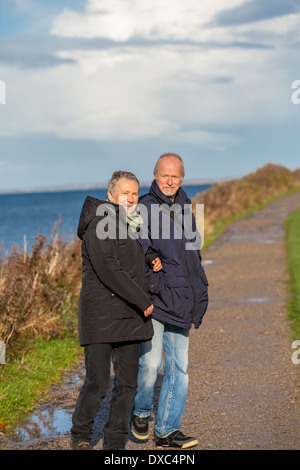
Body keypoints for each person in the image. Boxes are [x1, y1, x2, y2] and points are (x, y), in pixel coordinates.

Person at [70, 171, 156, 451]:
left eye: (134, 193)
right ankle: (81, 434)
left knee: (127, 384)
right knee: (97, 383)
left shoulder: (130, 224)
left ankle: (115, 442)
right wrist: (143, 300)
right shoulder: (99, 224)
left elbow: (128, 258)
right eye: (124, 193)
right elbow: (110, 269)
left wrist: (149, 256)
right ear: (110, 196)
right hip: (101, 317)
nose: (131, 199)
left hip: (128, 317)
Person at [131, 153, 209, 449]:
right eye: (165, 175)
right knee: (151, 364)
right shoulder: (144, 208)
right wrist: (152, 265)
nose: (170, 181)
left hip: (182, 298)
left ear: (182, 179)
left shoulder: (187, 207)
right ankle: (139, 411)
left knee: (179, 369)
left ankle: (166, 431)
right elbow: (135, 249)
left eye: (175, 176)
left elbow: (193, 254)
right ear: (154, 175)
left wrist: (199, 289)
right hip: (156, 299)